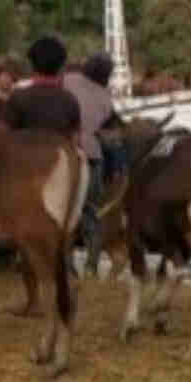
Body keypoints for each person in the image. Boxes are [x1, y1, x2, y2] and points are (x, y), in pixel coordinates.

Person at [65, 53, 121, 276]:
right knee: (91, 213)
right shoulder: (106, 98)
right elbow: (111, 135)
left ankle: (68, 267)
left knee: (66, 213)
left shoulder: (68, 80)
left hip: (68, 154)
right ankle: (91, 265)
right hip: (94, 159)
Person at [2, 36, 81, 138]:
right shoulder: (70, 100)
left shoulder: (18, 98)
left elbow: (3, 138)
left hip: (24, 153)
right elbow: (75, 140)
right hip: (58, 152)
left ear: (31, 65)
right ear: (61, 66)